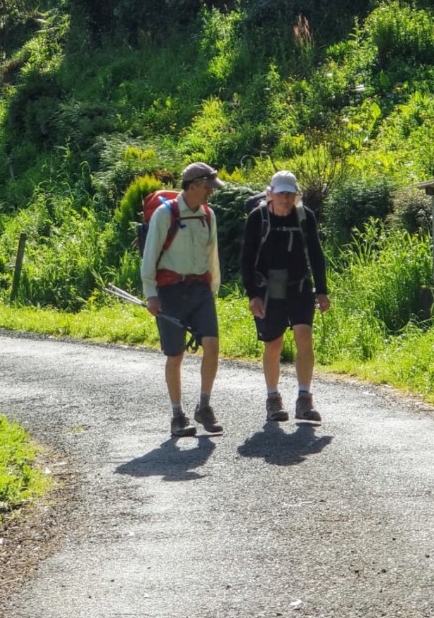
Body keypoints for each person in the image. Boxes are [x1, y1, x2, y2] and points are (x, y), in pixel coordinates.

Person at [142, 162, 225, 438]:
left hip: (200, 291)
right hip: (170, 291)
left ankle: (204, 406)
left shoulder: (208, 215)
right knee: (175, 355)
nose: (210, 194)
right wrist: (151, 294)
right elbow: (150, 255)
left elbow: (212, 255)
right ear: (192, 187)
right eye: (207, 188)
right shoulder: (166, 215)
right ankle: (177, 415)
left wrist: (213, 289)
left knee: (212, 345)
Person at [241, 170, 331, 423]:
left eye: (290, 194)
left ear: (296, 195)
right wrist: (253, 295)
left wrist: (322, 290)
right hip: (268, 290)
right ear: (270, 194)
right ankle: (273, 399)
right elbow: (246, 259)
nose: (285, 198)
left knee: (304, 336)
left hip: (300, 286)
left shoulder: (305, 217)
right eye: (281, 193)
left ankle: (304, 400)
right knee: (274, 343)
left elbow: (316, 253)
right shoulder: (258, 218)